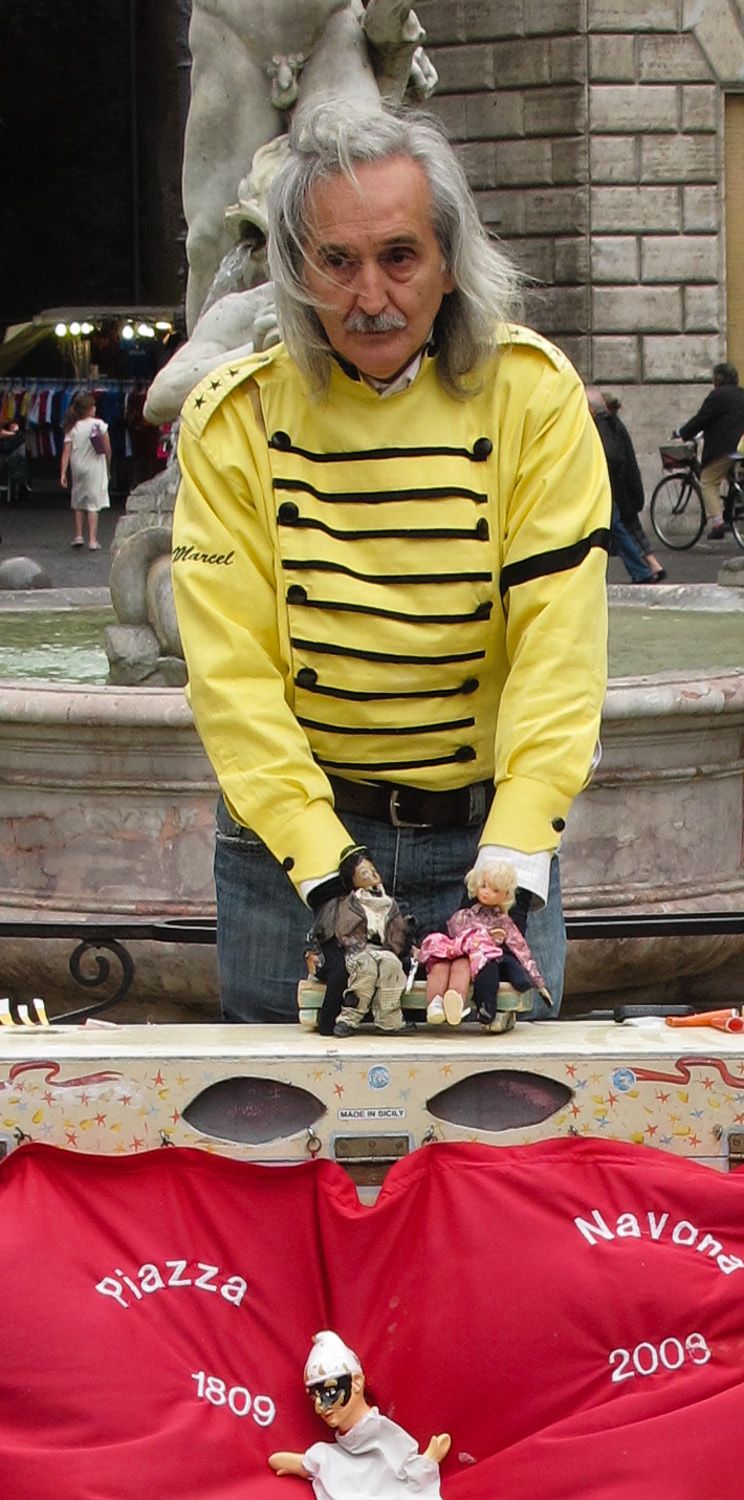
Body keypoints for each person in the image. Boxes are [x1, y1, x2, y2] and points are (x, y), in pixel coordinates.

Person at [172, 101, 611, 1025]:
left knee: (501, 1158)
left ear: (449, 261)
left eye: (399, 257)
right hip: (287, 856)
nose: (371, 296)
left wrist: (509, 878)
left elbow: (557, 655)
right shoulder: (232, 418)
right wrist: (329, 876)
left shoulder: (535, 399)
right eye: (336, 261)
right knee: (277, 1152)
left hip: (486, 842)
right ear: (295, 269)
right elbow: (230, 674)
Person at [268, 1329, 450, 1498]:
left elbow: (410, 1477)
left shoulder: (383, 1434)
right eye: (314, 1397)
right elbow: (278, 1461)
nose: (319, 1407)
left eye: (329, 1393)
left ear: (356, 1382)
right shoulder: (327, 1455)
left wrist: (428, 1460)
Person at [419, 858, 550, 1030]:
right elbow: (448, 931)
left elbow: (521, 950)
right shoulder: (464, 914)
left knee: (476, 970)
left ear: (506, 895)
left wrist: (539, 983)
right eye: (483, 886)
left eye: (495, 890)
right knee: (442, 967)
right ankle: (436, 1003)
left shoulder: (503, 922)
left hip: (482, 958)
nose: (487, 893)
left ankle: (465, 1003)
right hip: (458, 952)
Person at [308, 846, 414, 1036]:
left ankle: (388, 1019)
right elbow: (339, 926)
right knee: (365, 970)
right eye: (364, 873)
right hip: (358, 947)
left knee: (392, 967)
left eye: (373, 870)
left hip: (382, 947)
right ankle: (349, 1017)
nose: (372, 875)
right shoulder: (349, 902)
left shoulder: (389, 903)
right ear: (353, 880)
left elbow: (398, 929)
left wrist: (401, 944)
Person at [586, 387, 663, 585]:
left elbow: (611, 456)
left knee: (617, 529)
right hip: (617, 488)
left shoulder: (601, 426)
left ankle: (640, 570)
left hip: (610, 488)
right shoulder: (610, 422)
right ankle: (645, 568)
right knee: (620, 527)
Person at [676, 362, 744, 539]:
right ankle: (731, 506)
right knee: (730, 477)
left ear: (718, 380)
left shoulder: (717, 396)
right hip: (741, 446)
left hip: (725, 448)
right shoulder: (741, 394)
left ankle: (718, 523)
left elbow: (701, 419)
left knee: (708, 481)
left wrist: (682, 432)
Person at [59, 392, 111, 549]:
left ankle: (79, 535)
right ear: (90, 409)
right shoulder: (99, 425)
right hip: (95, 466)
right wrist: (108, 464)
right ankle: (93, 539)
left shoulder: (72, 427)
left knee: (78, 501)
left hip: (77, 466)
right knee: (93, 503)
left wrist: (63, 473)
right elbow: (107, 448)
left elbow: (66, 452)